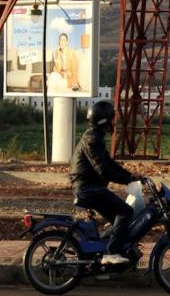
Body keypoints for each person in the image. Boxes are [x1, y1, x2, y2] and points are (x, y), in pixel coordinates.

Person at [70, 99, 135, 265]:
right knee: (125, 212)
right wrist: (127, 179)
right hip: (87, 188)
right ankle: (111, 253)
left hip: (90, 187)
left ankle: (101, 256)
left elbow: (109, 163)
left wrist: (132, 176)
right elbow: (103, 170)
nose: (114, 123)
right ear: (104, 121)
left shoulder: (95, 136)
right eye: (112, 119)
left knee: (117, 222)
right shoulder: (92, 139)